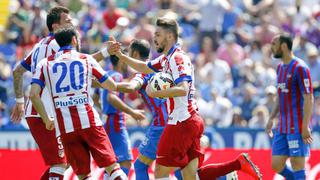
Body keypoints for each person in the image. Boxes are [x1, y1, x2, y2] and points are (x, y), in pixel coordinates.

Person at [109, 18, 261, 180]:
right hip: (190, 120)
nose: (154, 39)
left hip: (180, 121)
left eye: (158, 35)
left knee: (161, 172)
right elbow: (144, 67)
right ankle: (237, 165)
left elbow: (183, 89)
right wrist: (120, 56)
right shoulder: (166, 59)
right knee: (189, 175)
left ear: (169, 36)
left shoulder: (177, 58)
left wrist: (157, 93)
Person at [10, 6, 112, 179]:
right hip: (45, 113)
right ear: (56, 27)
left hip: (40, 111)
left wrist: (20, 101)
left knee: (65, 161)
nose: (72, 22)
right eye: (68, 21)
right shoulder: (57, 44)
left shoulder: (39, 45)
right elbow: (81, 62)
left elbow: (17, 71)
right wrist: (106, 52)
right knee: (60, 163)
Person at [29, 26, 127, 180]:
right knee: (113, 168)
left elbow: (33, 94)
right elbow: (111, 85)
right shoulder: (86, 59)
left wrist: (47, 119)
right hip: (89, 122)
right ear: (74, 40)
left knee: (83, 175)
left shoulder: (45, 64)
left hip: (65, 127)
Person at [266, 34, 314, 180]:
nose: (271, 47)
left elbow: (308, 97)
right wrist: (271, 118)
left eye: (274, 44)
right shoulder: (280, 68)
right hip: (282, 126)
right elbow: (279, 97)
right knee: (276, 164)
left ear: (284, 46)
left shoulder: (300, 68)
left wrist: (305, 125)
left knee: (297, 164)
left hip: (297, 125)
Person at [96, 54, 145, 176]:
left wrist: (107, 110)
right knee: (125, 162)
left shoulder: (106, 76)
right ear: (121, 62)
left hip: (108, 120)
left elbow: (96, 96)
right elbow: (111, 97)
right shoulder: (117, 76)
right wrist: (131, 112)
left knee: (113, 163)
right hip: (115, 123)